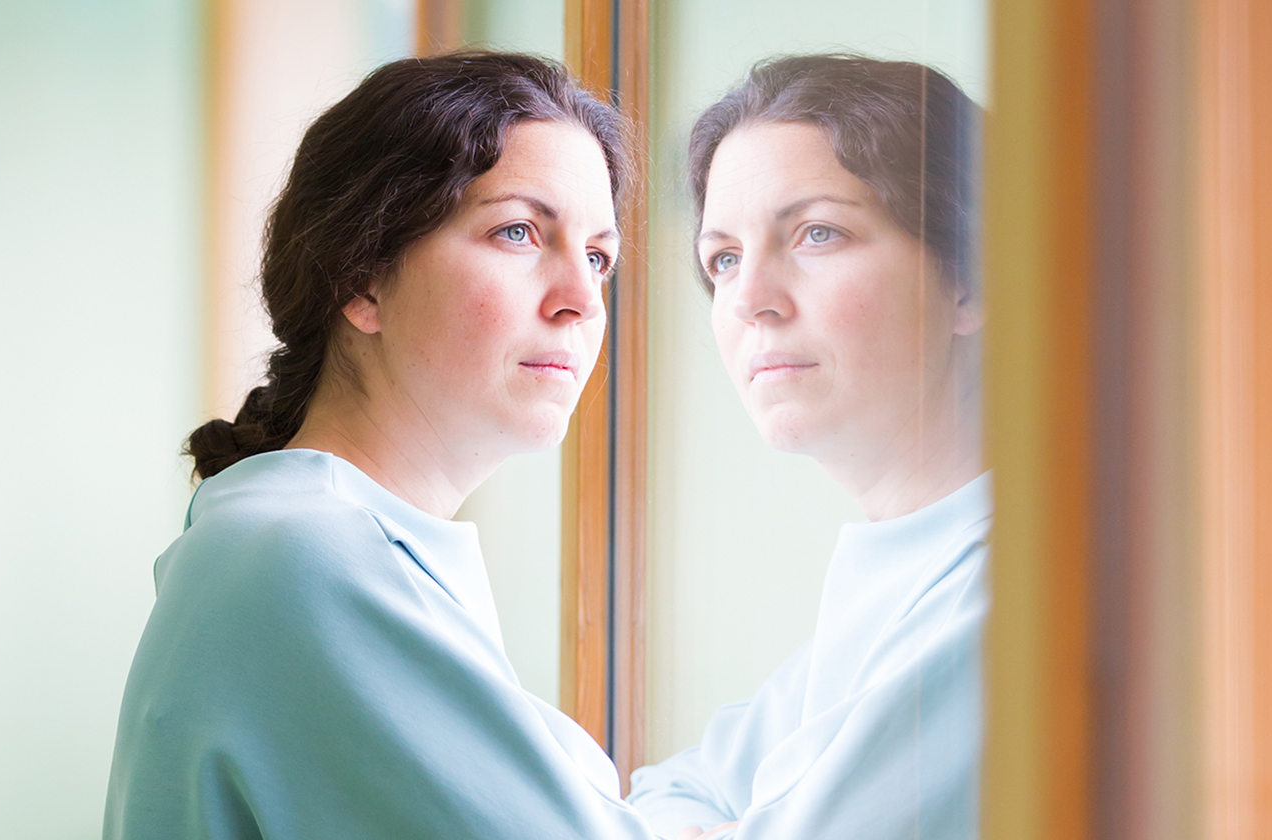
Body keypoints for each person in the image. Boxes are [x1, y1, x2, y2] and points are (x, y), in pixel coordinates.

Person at [103, 52, 659, 840]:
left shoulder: (316, 539)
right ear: (361, 277)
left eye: (598, 256)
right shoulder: (302, 555)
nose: (581, 300)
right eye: (519, 232)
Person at [627, 56, 988, 840]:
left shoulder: (1016, 592)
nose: (750, 298)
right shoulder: (903, 567)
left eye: (817, 233)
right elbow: (668, 789)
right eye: (722, 258)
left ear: (970, 281)